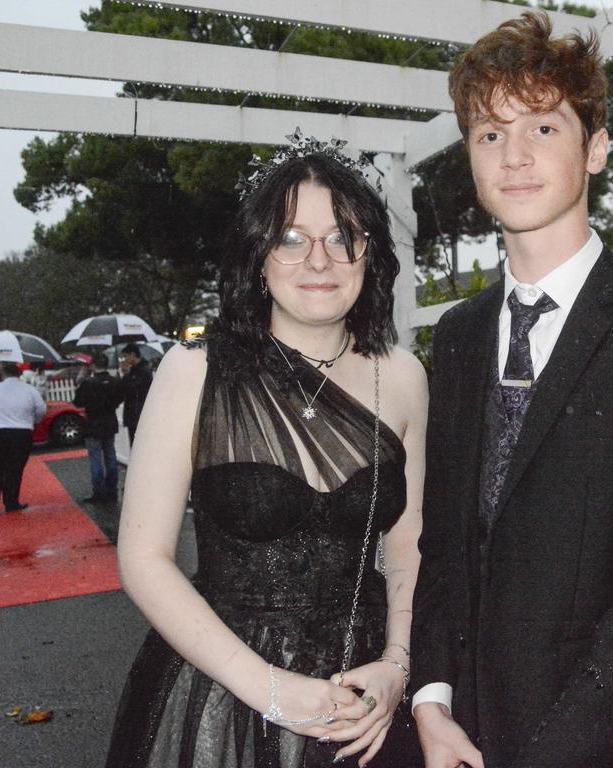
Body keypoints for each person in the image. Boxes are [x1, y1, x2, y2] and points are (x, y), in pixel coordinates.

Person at [410, 12, 613, 768]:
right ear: (468, 157)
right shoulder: (457, 338)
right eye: (490, 134)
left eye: (543, 129)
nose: (514, 156)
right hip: (468, 738)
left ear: (594, 149)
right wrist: (430, 700)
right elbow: (445, 546)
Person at [104, 140, 428, 768]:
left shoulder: (405, 376)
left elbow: (409, 544)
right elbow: (143, 559)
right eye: (291, 238)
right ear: (258, 256)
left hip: (366, 696)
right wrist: (267, 689)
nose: (320, 259)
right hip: (225, 689)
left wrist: (397, 663)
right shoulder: (195, 371)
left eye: (343, 237)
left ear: (370, 254)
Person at [0, 363, 47, 513]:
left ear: (3, 373)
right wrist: (34, 420)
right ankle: (11, 501)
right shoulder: (29, 390)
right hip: (21, 432)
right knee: (15, 468)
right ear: (19, 374)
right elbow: (41, 409)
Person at [73, 352, 125, 503]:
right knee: (110, 457)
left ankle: (99, 492)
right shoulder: (115, 382)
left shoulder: (88, 383)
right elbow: (120, 398)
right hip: (109, 421)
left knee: (95, 459)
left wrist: (81, 380)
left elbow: (78, 402)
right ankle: (112, 490)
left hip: (93, 423)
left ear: (93, 365)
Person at [120, 343, 153, 445]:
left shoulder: (144, 371)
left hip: (139, 413)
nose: (125, 359)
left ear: (133, 355)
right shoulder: (133, 371)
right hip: (132, 414)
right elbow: (123, 390)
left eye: (126, 356)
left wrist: (127, 375)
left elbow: (134, 389)